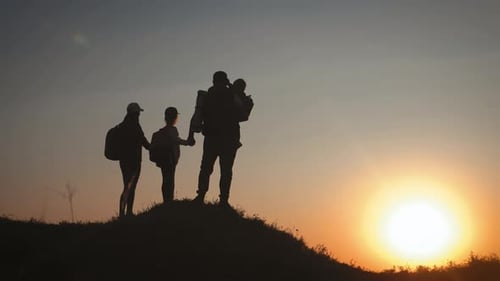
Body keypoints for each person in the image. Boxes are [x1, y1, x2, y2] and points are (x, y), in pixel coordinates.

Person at [193, 71, 242, 207]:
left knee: (206, 168)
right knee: (226, 170)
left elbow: (198, 114)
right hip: (228, 138)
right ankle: (224, 200)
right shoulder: (231, 94)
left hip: (212, 137)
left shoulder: (207, 95)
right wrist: (231, 88)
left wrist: (192, 134)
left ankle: (201, 195)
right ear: (224, 80)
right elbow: (242, 113)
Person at [150, 107, 194, 203]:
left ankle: (166, 200)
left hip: (163, 159)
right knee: (170, 180)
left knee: (165, 179)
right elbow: (176, 140)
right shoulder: (172, 130)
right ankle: (169, 200)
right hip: (170, 159)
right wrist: (188, 142)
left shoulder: (161, 132)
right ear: (174, 117)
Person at [119, 102, 150, 217]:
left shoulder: (122, 126)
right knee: (131, 187)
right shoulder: (135, 126)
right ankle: (128, 212)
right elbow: (143, 141)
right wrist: (153, 148)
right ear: (136, 113)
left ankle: (123, 213)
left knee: (127, 185)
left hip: (123, 161)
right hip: (134, 161)